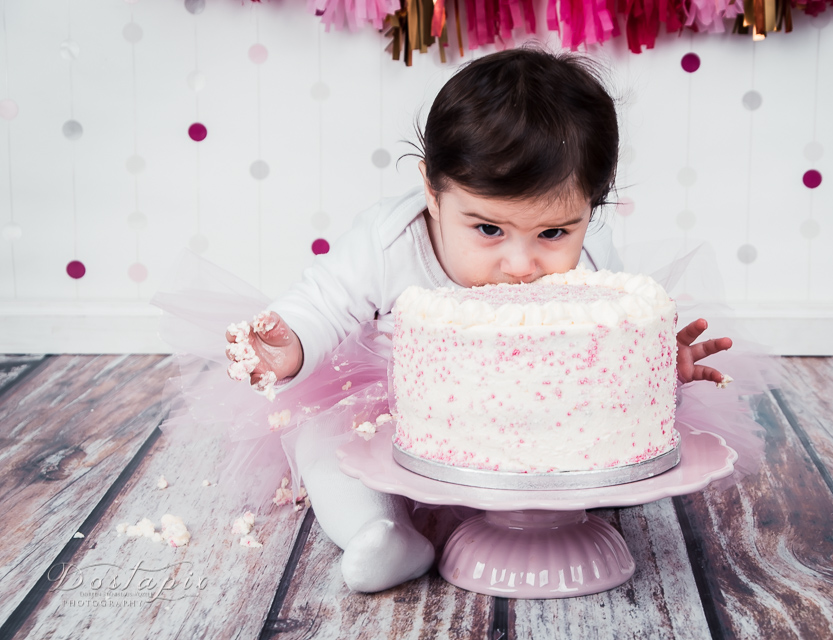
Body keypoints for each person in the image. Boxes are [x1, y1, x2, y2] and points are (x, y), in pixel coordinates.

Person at [219, 48, 732, 593]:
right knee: (323, 443)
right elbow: (324, 300)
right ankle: (379, 532)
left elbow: (611, 343)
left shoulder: (596, 257)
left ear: (592, 209)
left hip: (542, 425)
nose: (519, 265)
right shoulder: (389, 241)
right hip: (399, 409)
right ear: (432, 191)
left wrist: (653, 366)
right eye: (488, 230)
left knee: (589, 449)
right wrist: (291, 345)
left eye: (554, 233)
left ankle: (549, 521)